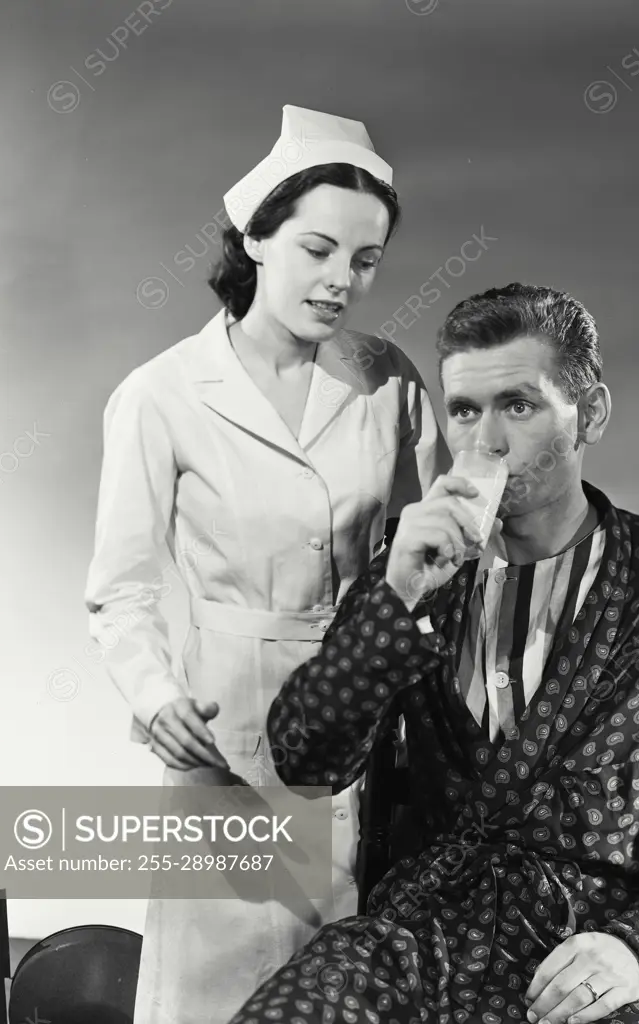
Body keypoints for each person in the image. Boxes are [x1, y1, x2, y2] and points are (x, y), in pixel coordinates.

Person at [231, 283, 639, 1024]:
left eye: (518, 406)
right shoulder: (417, 560)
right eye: (465, 410)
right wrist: (395, 598)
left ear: (589, 412)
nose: (486, 441)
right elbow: (305, 762)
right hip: (419, 935)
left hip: (583, 951)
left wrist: (638, 952)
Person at [84, 105, 449, 1024]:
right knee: (221, 988)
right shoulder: (162, 395)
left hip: (367, 718)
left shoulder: (387, 380)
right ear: (256, 237)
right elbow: (120, 591)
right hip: (227, 730)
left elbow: (441, 546)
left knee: (351, 977)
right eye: (318, 249)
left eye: (364, 261)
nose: (342, 282)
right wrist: (155, 697)